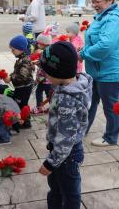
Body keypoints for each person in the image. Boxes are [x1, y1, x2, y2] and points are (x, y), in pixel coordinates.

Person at [38, 41, 92, 209]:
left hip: (66, 156)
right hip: (63, 152)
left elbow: (66, 138)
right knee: (56, 186)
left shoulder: (67, 99)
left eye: (46, 73)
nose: (44, 75)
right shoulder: (75, 83)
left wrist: (50, 163)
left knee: (69, 192)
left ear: (58, 73)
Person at [79, 0, 119, 147]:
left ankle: (110, 137)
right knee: (90, 102)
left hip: (111, 72)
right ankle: (82, 130)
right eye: (92, 2)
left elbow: (105, 46)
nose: (94, 5)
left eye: (97, 1)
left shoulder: (114, 19)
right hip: (97, 71)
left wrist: (82, 54)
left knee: (111, 107)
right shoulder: (102, 16)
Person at [4, 35, 35, 128]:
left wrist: (10, 78)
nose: (11, 52)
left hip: (24, 87)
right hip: (21, 87)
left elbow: (22, 76)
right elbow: (18, 72)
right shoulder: (21, 59)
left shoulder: (24, 61)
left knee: (21, 104)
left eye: (13, 50)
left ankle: (24, 122)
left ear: (21, 49)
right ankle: (24, 120)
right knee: (22, 104)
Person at [31, 32, 53, 115]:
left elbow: (45, 64)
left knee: (47, 94)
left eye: (38, 43)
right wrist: (37, 61)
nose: (37, 45)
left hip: (45, 79)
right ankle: (42, 107)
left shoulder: (46, 53)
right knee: (45, 93)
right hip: (44, 78)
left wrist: (37, 63)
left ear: (43, 44)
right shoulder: (47, 51)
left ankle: (49, 108)